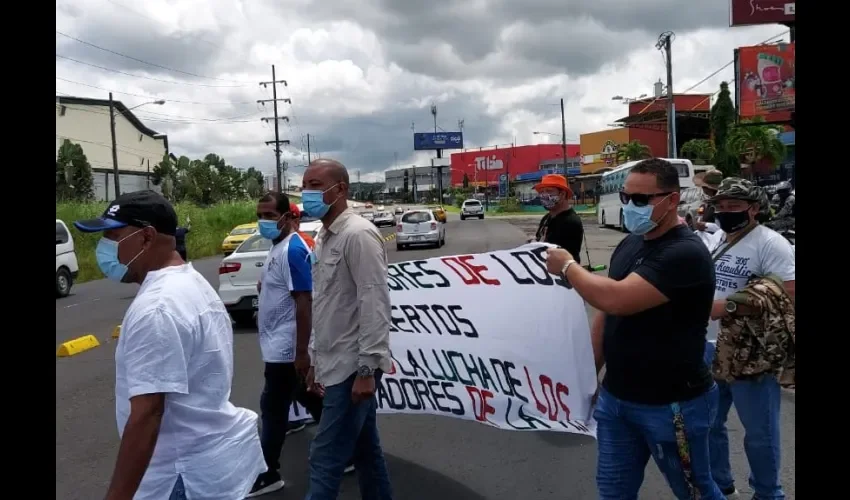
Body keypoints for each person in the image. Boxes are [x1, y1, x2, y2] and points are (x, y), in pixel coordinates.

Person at [545, 158, 724, 500]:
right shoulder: (632, 243)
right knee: (613, 490)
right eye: (626, 198)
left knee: (695, 491)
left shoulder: (684, 252)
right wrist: (587, 376)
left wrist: (568, 265)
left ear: (672, 200)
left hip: (672, 406)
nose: (630, 207)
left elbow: (616, 299)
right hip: (617, 400)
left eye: (641, 201)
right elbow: (607, 315)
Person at [73, 190, 265, 500]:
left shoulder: (157, 307)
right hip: (206, 462)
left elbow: (148, 412)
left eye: (113, 235)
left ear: (146, 237)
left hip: (179, 476)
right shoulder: (190, 282)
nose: (104, 247)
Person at [302, 158, 394, 500]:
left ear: (340, 189)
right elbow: (324, 303)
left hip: (352, 366)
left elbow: (375, 302)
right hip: (332, 362)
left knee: (325, 458)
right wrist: (313, 360)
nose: (306, 193)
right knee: (366, 451)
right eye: (304, 185)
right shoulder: (324, 237)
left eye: (314, 185)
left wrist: (368, 368)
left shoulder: (358, 235)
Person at [702, 178, 795, 499]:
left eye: (734, 207)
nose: (725, 212)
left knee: (759, 432)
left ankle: (769, 493)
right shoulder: (716, 239)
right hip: (709, 347)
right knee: (710, 425)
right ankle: (721, 484)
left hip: (751, 351)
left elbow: (789, 291)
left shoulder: (770, 243)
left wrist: (728, 306)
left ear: (754, 209)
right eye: (721, 206)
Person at [248, 191, 326, 497]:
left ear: (286, 217)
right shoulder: (278, 247)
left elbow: (304, 302)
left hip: (287, 349)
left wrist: (301, 352)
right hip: (279, 347)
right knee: (310, 399)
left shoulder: (293, 249)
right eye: (260, 215)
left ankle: (268, 472)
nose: (264, 221)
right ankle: (348, 449)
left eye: (269, 215)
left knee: (274, 408)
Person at [531, 174, 584, 262]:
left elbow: (562, 257)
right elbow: (540, 239)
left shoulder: (570, 222)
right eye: (541, 192)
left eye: (549, 191)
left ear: (562, 194)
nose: (544, 195)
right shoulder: (547, 218)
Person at [694, 169, 722, 234]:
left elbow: (724, 227)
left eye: (703, 187)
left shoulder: (721, 203)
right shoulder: (709, 202)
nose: (702, 189)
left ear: (709, 188)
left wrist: (706, 225)